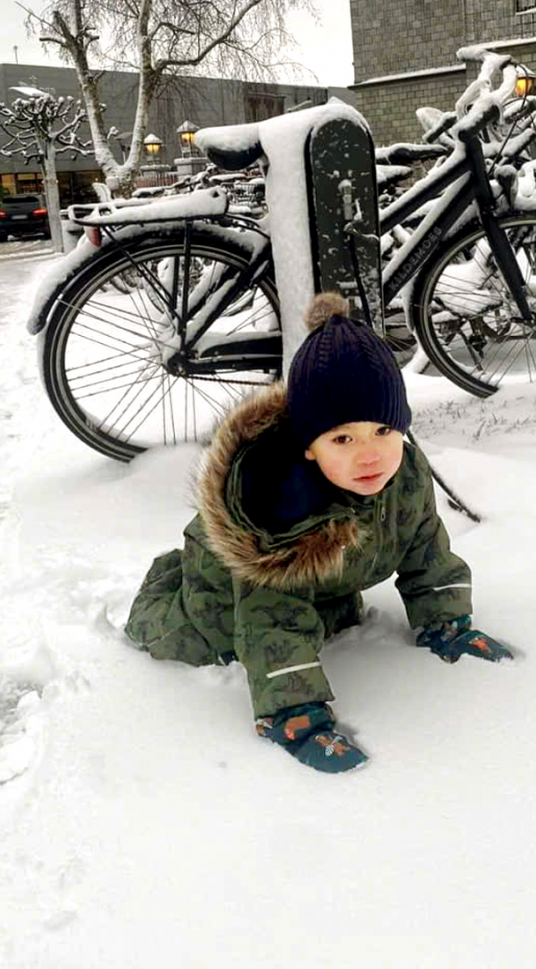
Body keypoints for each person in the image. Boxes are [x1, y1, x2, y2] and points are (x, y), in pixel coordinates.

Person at [125, 292, 514, 774]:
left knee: (329, 612)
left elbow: (427, 553)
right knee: (209, 637)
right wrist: (293, 710)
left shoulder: (405, 474)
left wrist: (446, 622)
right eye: (343, 439)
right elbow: (271, 619)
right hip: (225, 592)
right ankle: (167, 596)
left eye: (383, 432)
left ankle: (337, 603)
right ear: (309, 447)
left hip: (323, 586)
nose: (369, 455)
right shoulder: (283, 508)